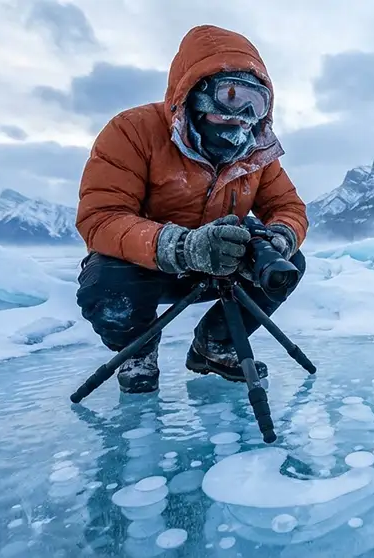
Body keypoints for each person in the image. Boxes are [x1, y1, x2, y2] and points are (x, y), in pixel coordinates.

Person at [74, 25, 308, 395]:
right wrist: (181, 246)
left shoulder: (256, 153)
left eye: (256, 102)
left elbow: (288, 206)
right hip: (147, 269)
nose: (244, 115)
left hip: (222, 268)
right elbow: (100, 217)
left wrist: (280, 236)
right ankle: (138, 351)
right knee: (106, 282)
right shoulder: (133, 131)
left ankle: (215, 346)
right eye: (231, 95)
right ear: (195, 91)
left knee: (291, 262)